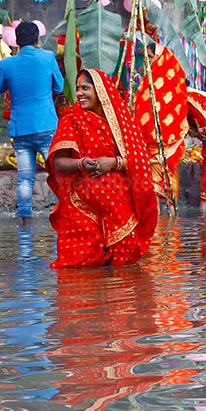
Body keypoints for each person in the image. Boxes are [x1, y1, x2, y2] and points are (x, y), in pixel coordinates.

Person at [47, 69, 157, 268]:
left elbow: (141, 161)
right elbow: (59, 163)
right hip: (81, 207)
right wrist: (82, 163)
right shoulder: (71, 118)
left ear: (101, 91)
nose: (79, 93)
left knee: (123, 271)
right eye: (78, 88)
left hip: (120, 209)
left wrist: (113, 162)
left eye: (85, 88)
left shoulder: (122, 121)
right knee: (79, 272)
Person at [0, 20, 64, 224]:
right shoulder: (48, 57)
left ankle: (26, 221)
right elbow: (59, 86)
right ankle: (63, 215)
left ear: (16, 41)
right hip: (46, 125)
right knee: (56, 173)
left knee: (25, 177)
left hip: (21, 129)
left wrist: (6, 76)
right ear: (37, 40)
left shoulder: (8, 64)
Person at [132, 27, 188, 208]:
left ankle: (172, 217)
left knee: (170, 174)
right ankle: (155, 220)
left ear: (160, 58)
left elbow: (177, 110)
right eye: (146, 58)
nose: (148, 61)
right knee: (151, 182)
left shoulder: (173, 81)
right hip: (148, 142)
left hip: (169, 142)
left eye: (151, 57)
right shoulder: (146, 80)